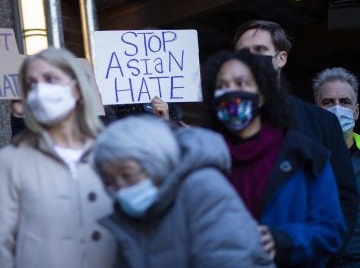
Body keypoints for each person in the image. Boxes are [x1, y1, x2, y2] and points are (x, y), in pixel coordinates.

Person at [202, 48, 346, 267]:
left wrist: (283, 240)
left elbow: (331, 230)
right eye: (222, 86)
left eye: (241, 84)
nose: (230, 92)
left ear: (262, 95)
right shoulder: (204, 160)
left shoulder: (305, 155)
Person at [233, 20, 358, 253]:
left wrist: (324, 254)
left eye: (260, 50)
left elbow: (345, 198)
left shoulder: (321, 123)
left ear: (281, 59)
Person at [92, 114, 274, 268]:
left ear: (155, 161)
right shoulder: (130, 213)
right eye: (111, 183)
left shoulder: (202, 188)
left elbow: (230, 259)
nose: (121, 190)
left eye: (127, 175)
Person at [0, 47, 116, 268]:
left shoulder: (111, 151)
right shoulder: (10, 161)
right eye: (31, 84)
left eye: (50, 79)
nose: (40, 89)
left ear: (77, 89)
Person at [313, 67, 360, 267]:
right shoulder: (301, 156)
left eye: (345, 102)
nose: (337, 108)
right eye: (328, 102)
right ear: (315, 110)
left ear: (356, 111)